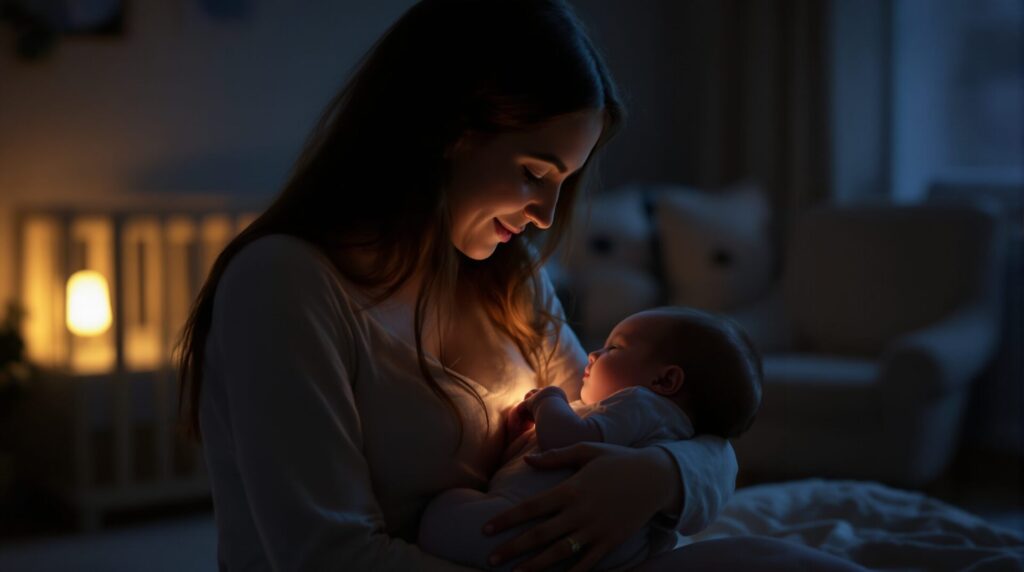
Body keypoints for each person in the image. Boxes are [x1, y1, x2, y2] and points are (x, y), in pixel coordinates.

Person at [177, 1, 865, 570]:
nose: (543, 215)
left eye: (561, 185)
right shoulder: (284, 286)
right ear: (447, 131)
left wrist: (662, 476)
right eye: (535, 174)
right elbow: (326, 554)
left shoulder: (507, 284)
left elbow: (674, 435)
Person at [418, 307, 763, 571]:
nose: (593, 355)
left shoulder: (641, 404)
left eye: (614, 347)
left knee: (442, 511)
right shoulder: (648, 424)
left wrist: (547, 398)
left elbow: (567, 441)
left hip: (528, 527)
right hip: (590, 551)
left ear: (665, 381)